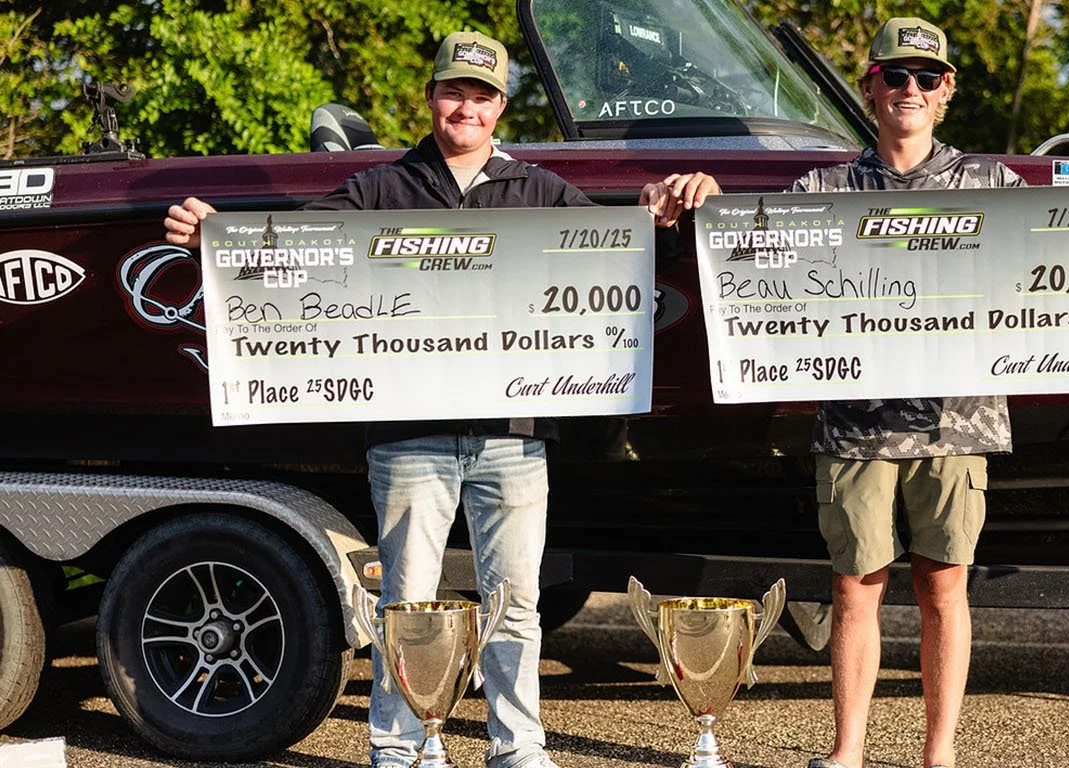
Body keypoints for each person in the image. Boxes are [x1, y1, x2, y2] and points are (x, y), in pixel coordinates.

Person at [165, 30, 715, 768]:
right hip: (407, 436)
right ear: (430, 98)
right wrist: (218, 240)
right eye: (454, 90)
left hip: (515, 436)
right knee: (407, 604)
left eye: (482, 94)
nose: (467, 106)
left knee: (516, 605)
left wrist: (670, 210)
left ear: (501, 106)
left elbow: (629, 248)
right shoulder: (377, 190)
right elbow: (295, 251)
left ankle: (517, 748)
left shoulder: (543, 191)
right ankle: (398, 747)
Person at [783, 17, 1069, 768]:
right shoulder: (823, 187)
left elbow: (1067, 248)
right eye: (894, 75)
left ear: (946, 90)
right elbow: (752, 257)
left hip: (959, 424)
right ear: (870, 87)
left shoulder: (990, 184)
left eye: (926, 77)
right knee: (855, 590)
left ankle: (939, 756)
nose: (908, 89)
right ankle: (846, 752)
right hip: (855, 425)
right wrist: (697, 199)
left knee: (943, 589)